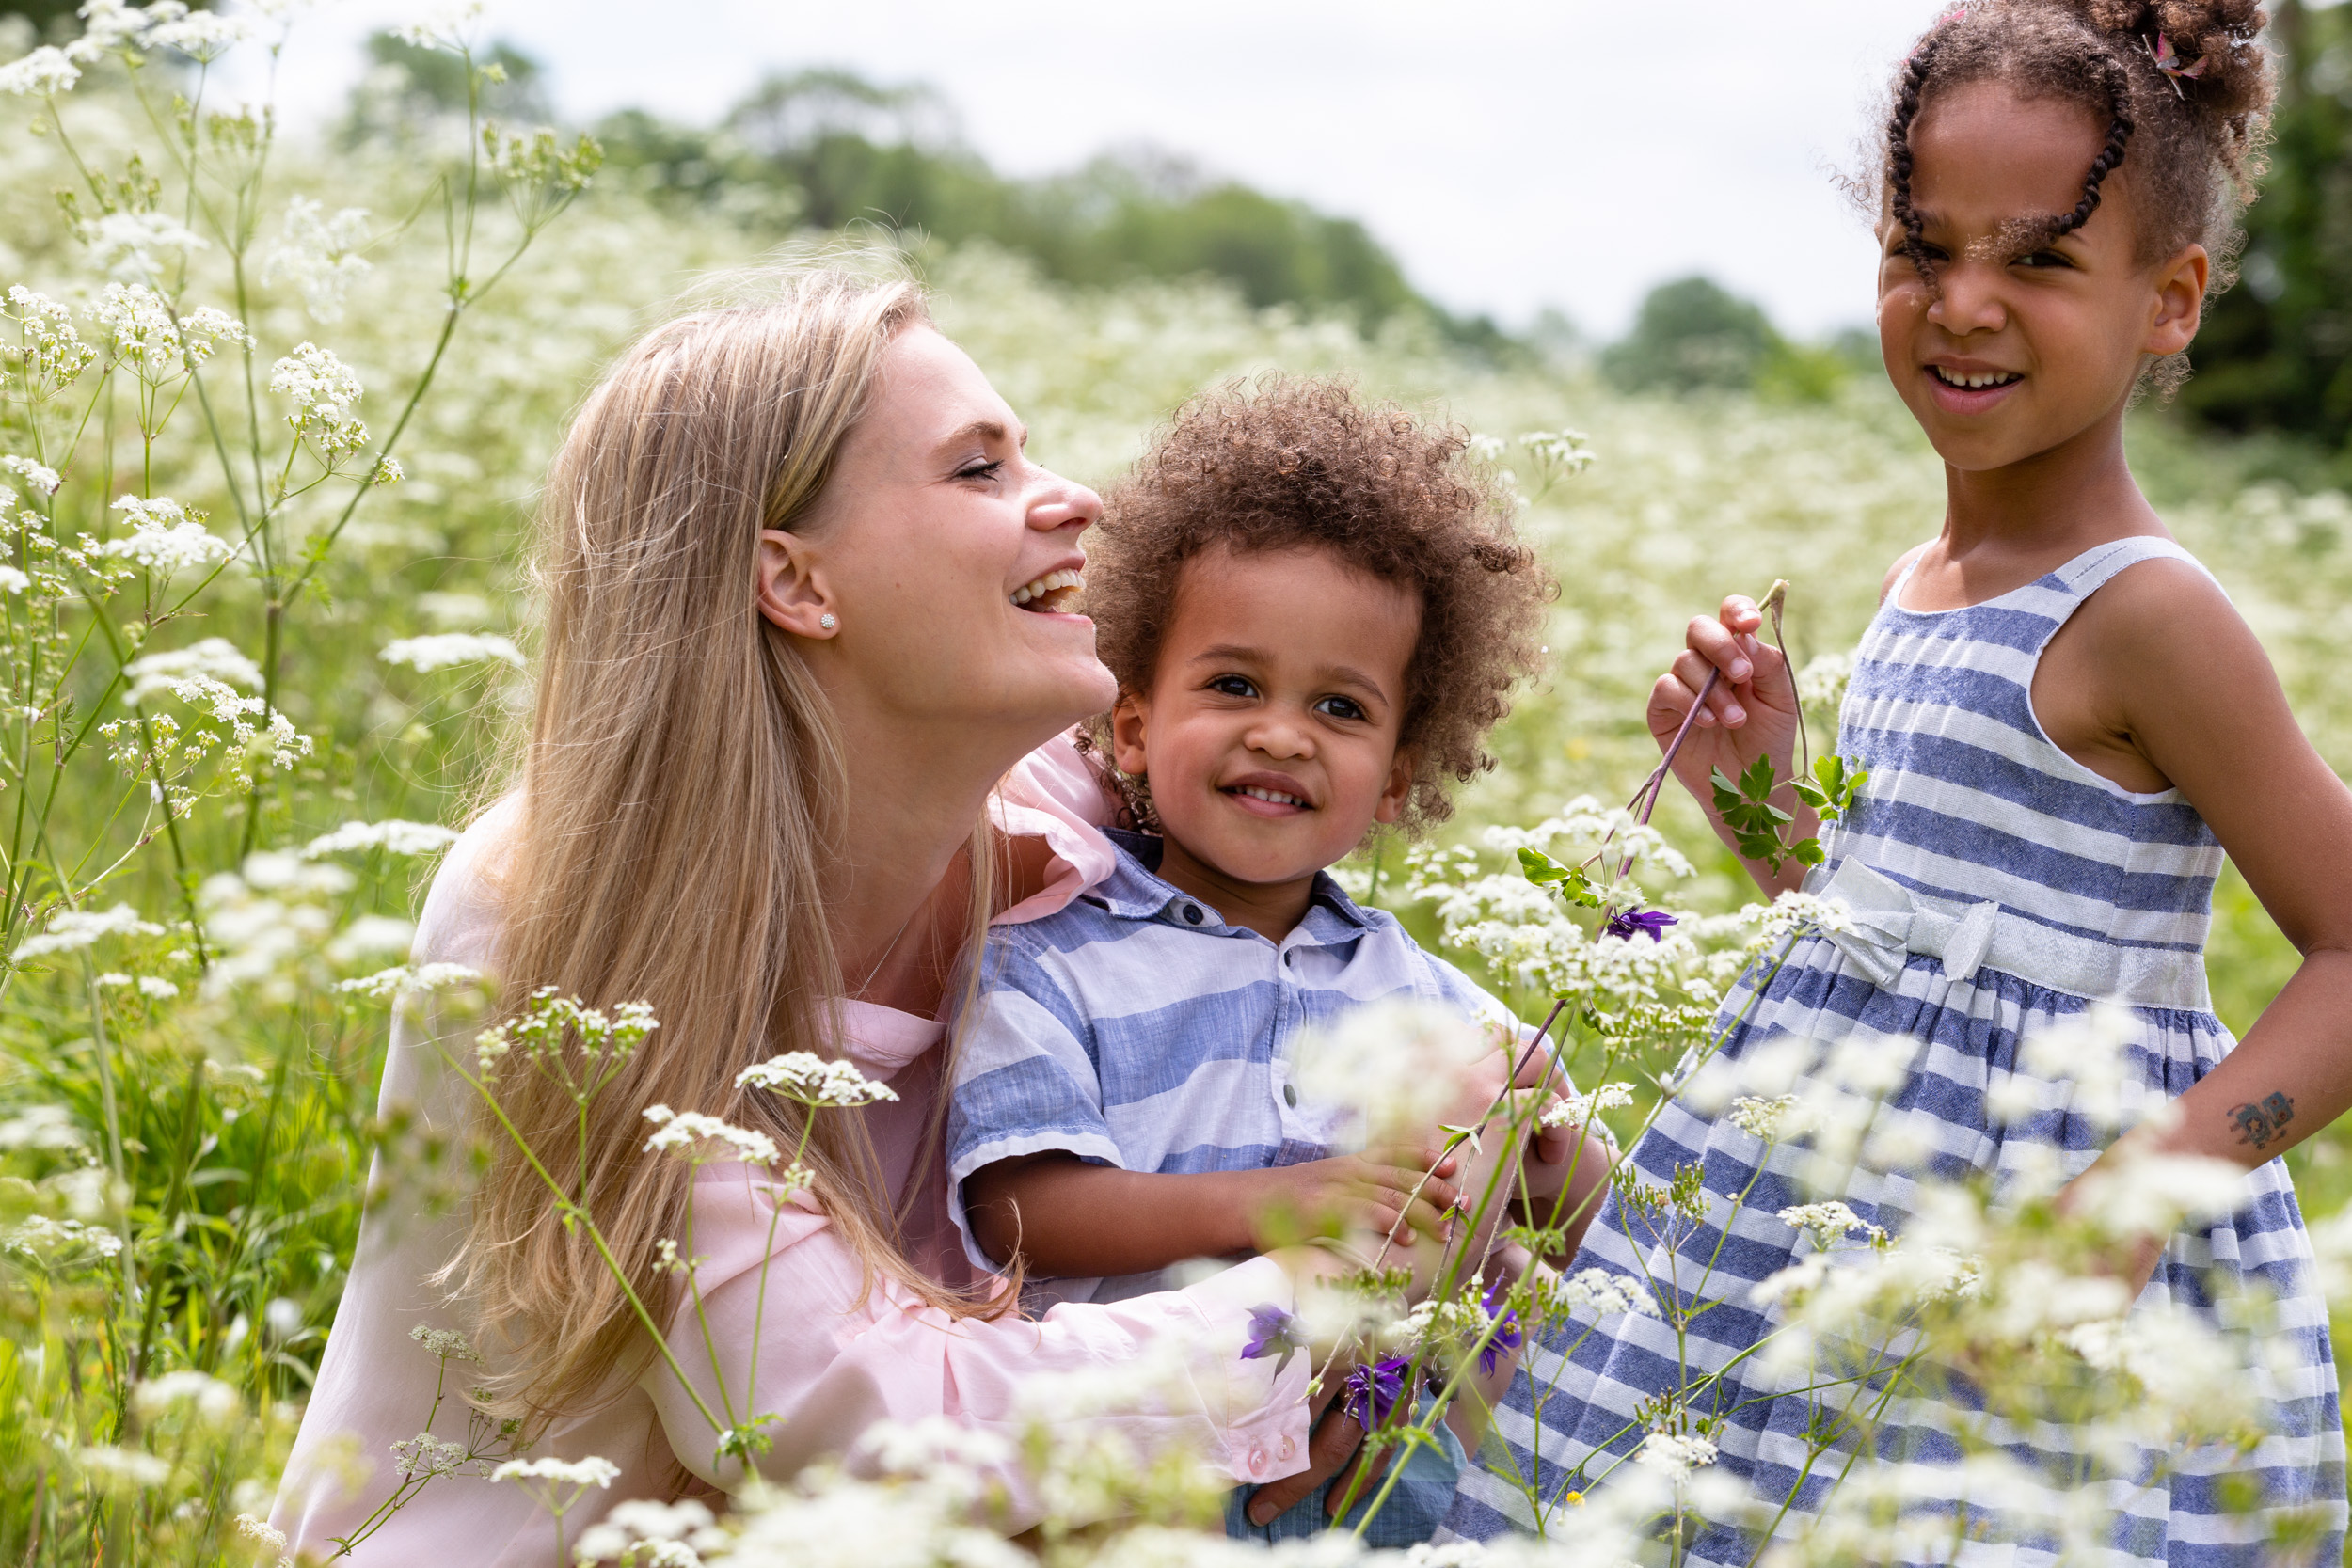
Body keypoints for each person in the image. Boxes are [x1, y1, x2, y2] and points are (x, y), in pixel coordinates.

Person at [267, 269, 1469, 1562]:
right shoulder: (548, 914)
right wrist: (1293, 1322)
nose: (1076, 501)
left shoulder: (1095, 814)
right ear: (797, 579)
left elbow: (1370, 1026)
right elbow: (830, 1413)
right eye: (979, 470)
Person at [1445, 2, 2350, 1560]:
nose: (1965, 306)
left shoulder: (2145, 610)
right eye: (1922, 249)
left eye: (2041, 260)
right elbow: (1887, 935)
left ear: (2171, 300)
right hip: (1814, 1220)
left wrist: (2155, 1187)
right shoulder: (1924, 575)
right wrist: (1760, 789)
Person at [946, 379, 1613, 1546]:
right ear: (1137, 720)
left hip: (1371, 1474)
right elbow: (1019, 1204)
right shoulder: (1053, 948)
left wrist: (1556, 1164)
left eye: (1342, 707)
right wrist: (1271, 1205)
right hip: (1143, 1454)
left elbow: (1568, 1208)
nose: (1282, 731)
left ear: (1399, 776)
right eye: (1234, 684)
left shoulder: (1416, 985)